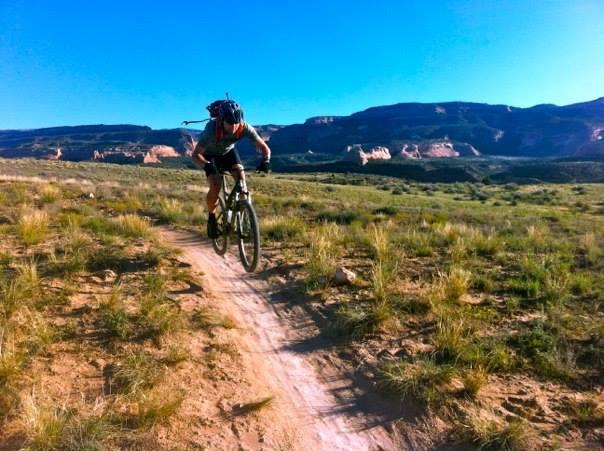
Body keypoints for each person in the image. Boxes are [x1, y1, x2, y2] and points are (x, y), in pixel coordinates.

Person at [191, 100, 271, 238]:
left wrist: (266, 160)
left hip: (228, 153)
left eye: (236, 123)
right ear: (222, 120)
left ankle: (243, 216)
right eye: (229, 123)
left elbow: (264, 147)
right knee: (216, 185)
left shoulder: (244, 127)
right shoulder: (211, 129)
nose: (234, 127)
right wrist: (207, 164)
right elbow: (195, 154)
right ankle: (211, 219)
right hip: (209, 155)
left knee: (241, 180)